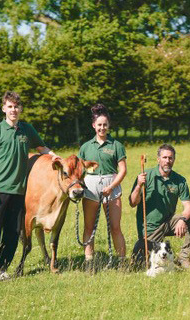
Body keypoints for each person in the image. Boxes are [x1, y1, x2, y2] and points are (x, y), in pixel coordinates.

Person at [0, 91, 59, 282]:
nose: (14, 110)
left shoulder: (26, 129)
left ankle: (3, 269)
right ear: (4, 108)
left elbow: (41, 148)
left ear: (21, 109)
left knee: (12, 234)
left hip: (20, 191)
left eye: (16, 107)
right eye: (10, 107)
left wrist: (55, 156)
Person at [129, 144, 190, 269]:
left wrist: (182, 220)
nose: (167, 161)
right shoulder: (145, 176)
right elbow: (132, 203)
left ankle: (184, 257)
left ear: (174, 159)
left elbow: (188, 207)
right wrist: (138, 186)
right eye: (164, 157)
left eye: (170, 158)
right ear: (158, 159)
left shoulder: (179, 180)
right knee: (140, 265)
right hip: (150, 228)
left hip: (168, 222)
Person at [78, 104, 127, 267]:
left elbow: (123, 170)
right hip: (91, 187)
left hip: (111, 187)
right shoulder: (85, 147)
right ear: (94, 126)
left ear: (109, 125)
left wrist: (112, 186)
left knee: (115, 227)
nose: (102, 128)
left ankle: (121, 263)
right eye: (99, 125)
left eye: (105, 124)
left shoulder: (116, 145)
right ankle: (89, 263)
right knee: (89, 227)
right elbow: (79, 170)